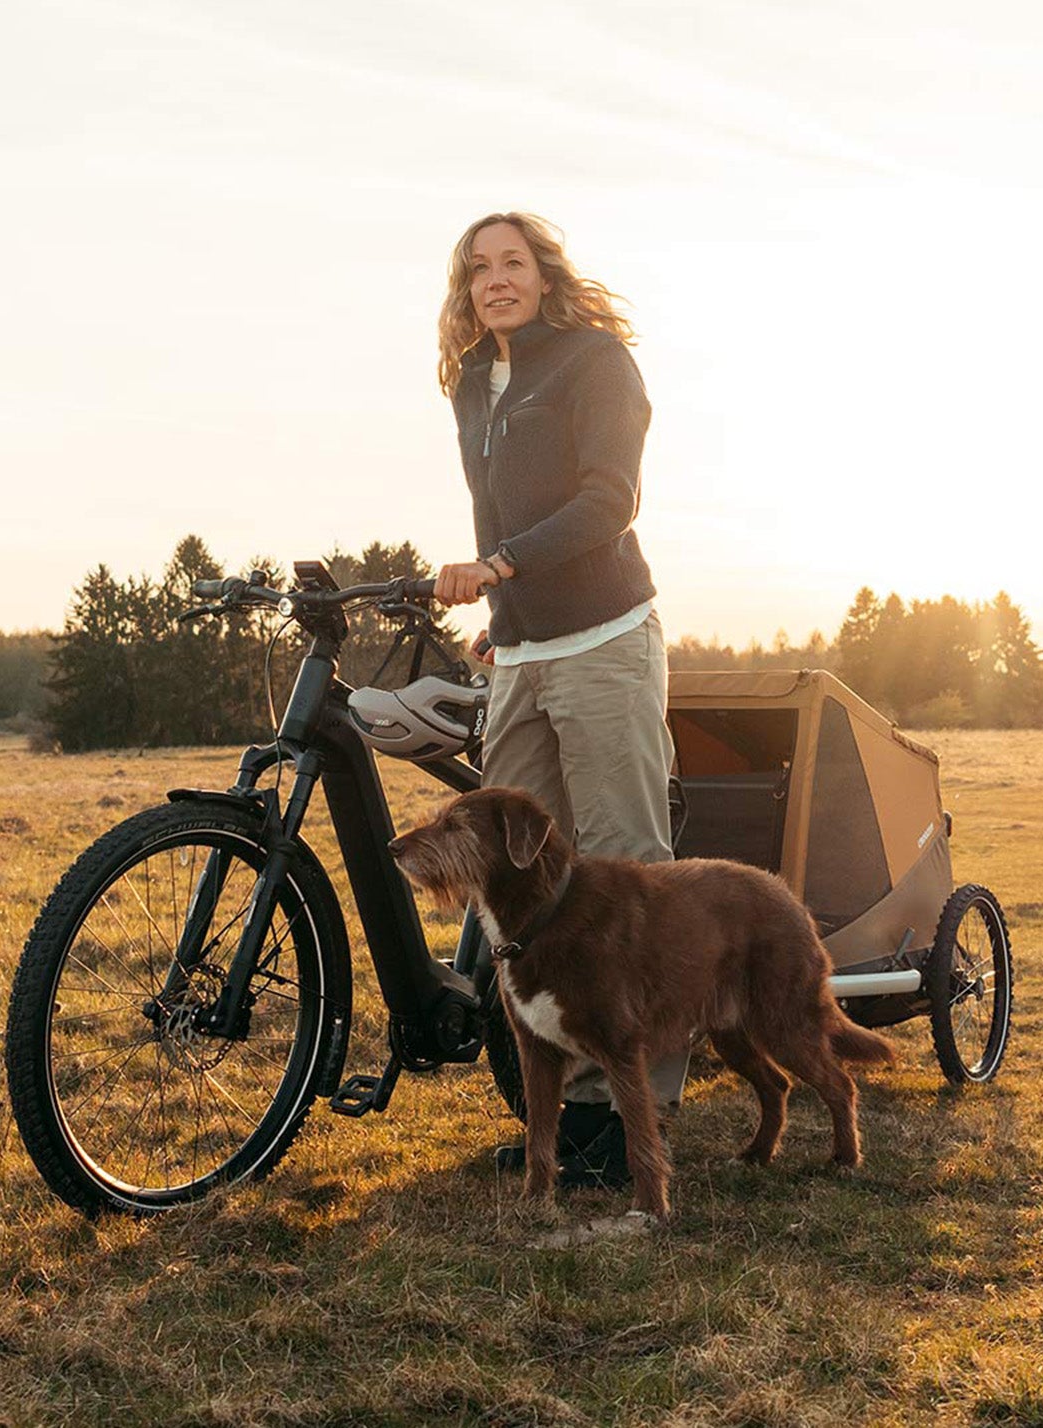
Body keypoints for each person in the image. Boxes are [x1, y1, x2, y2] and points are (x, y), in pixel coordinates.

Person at [427, 212, 680, 1188]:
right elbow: (501, 511)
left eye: (513, 262)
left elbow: (609, 499)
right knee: (519, 885)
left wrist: (499, 565)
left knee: (626, 880)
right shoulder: (468, 384)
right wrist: (507, 607)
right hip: (523, 652)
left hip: (607, 641)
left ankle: (635, 1122)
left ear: (544, 274)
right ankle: (568, 1115)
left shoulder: (593, 362)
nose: (497, 279)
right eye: (478, 267)